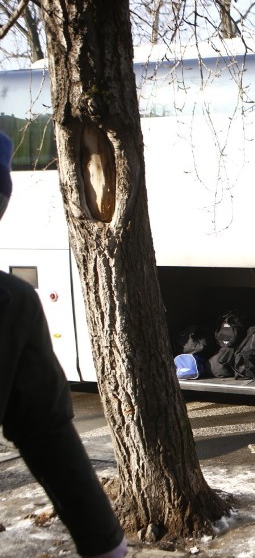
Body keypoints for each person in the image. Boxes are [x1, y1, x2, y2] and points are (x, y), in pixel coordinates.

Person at [0, 132, 128, 557]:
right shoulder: (11, 304)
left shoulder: (13, 304)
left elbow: (45, 432)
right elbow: (45, 433)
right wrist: (106, 544)